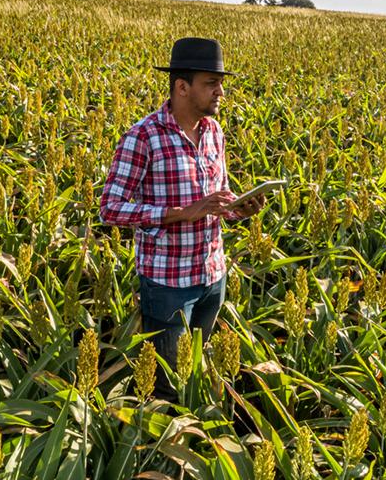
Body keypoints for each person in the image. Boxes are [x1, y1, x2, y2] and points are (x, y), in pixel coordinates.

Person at [98, 37, 265, 402]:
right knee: (167, 385)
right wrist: (178, 213)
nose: (221, 91)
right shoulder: (144, 137)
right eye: (211, 83)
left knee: (196, 369)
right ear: (182, 86)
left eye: (221, 83)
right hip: (169, 283)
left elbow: (217, 197)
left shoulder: (214, 132)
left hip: (212, 275)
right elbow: (109, 208)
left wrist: (240, 208)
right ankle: (164, 452)